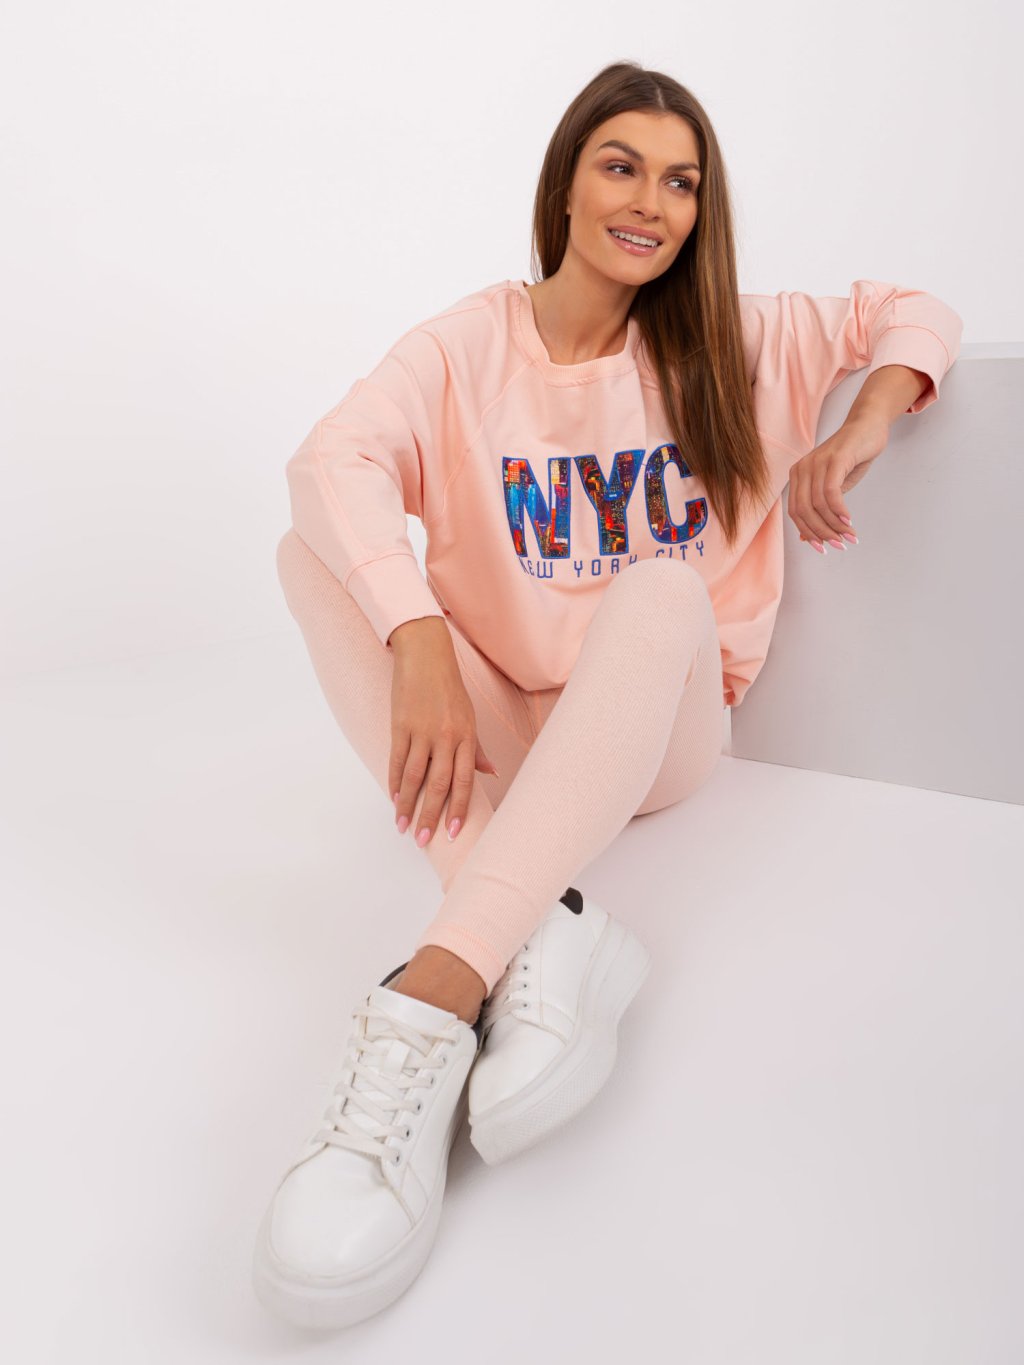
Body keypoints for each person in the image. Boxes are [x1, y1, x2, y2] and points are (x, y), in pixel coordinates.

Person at [252, 60, 963, 1330]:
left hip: (658, 728)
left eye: (680, 182)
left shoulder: (734, 338)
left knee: (661, 585)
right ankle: (550, 927)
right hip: (510, 719)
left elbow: (913, 310)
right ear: (566, 186)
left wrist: (862, 424)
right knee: (307, 556)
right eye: (621, 167)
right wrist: (416, 632)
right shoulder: (470, 343)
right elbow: (329, 461)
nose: (651, 203)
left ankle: (439, 987)